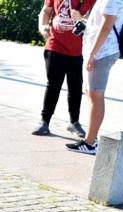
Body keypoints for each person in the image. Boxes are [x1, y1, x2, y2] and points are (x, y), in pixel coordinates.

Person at [64, 0, 123, 154]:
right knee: (92, 94)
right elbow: (102, 23)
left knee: (96, 96)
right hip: (101, 52)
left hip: (102, 53)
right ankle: (91, 140)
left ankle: (90, 143)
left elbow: (106, 27)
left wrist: (92, 54)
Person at [33, 0, 88, 137]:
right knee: (53, 85)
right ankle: (44, 122)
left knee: (75, 87)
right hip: (55, 46)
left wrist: (82, 18)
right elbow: (46, 11)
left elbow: (99, 21)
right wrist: (43, 27)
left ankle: (74, 122)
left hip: (77, 51)